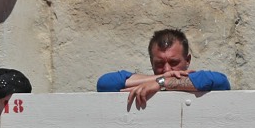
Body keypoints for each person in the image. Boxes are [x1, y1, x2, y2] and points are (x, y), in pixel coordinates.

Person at [96, 28, 231, 109]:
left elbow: (221, 82)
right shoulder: (151, 81)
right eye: (160, 64)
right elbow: (105, 83)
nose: (167, 69)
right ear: (151, 62)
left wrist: (161, 83)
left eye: (173, 62)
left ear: (188, 60)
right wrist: (161, 79)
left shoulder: (200, 80)